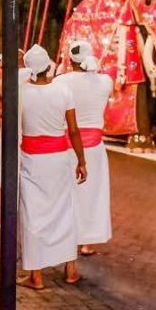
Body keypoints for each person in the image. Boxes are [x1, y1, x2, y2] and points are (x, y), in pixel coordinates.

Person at [17, 45, 88, 290]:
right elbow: (74, 130)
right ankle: (71, 270)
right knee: (64, 211)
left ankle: (36, 276)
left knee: (33, 215)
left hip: (32, 160)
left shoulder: (21, 92)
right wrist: (82, 161)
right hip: (59, 159)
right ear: (49, 66)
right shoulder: (63, 90)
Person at [56, 41, 113, 256]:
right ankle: (88, 242)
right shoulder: (106, 81)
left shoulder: (61, 81)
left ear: (70, 59)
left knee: (67, 193)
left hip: (66, 145)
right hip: (95, 147)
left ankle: (67, 237)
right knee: (93, 194)